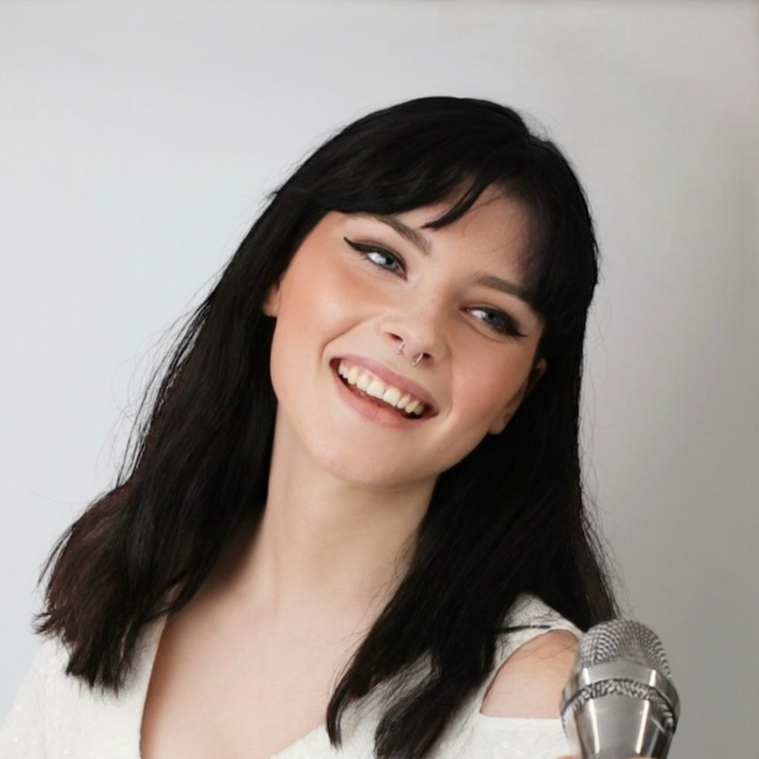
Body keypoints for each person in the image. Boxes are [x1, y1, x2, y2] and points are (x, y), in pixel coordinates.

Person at [0, 96, 621, 759]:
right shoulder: (119, 588)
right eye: (383, 257)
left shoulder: (546, 705)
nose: (417, 333)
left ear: (517, 394)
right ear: (276, 268)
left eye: (489, 315)